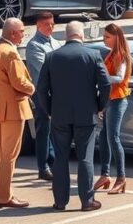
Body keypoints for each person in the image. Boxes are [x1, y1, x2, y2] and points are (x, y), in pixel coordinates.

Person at [37, 21, 111, 212]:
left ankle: (60, 202)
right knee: (85, 159)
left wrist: (49, 111)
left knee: (60, 159)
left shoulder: (52, 57)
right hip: (86, 115)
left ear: (66, 36)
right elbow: (105, 85)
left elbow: (41, 89)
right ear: (82, 35)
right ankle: (87, 201)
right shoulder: (92, 55)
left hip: (60, 115)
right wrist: (99, 106)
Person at [0, 18, 34, 208]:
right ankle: (4, 196)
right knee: (10, 155)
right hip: (13, 108)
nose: (23, 34)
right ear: (13, 33)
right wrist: (33, 88)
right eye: (22, 31)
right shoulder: (10, 53)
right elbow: (19, 83)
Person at [94, 23, 132, 195]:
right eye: (104, 36)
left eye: (107, 36)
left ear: (117, 37)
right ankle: (105, 175)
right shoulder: (110, 54)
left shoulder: (120, 55)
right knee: (103, 138)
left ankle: (121, 178)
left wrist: (102, 78)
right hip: (109, 100)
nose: (104, 39)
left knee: (113, 138)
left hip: (118, 100)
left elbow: (119, 77)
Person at [25, 11, 61, 181]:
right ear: (38, 26)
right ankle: (43, 166)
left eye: (52, 24)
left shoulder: (55, 42)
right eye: (47, 24)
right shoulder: (34, 46)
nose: (51, 27)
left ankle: (53, 162)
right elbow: (45, 69)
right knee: (43, 130)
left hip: (56, 93)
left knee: (54, 129)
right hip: (42, 94)